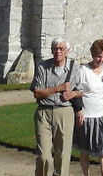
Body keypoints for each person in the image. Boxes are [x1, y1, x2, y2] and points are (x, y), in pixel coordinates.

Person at [31, 37, 79, 176]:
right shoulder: (42, 67)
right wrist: (58, 88)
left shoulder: (75, 67)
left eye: (61, 48)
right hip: (43, 113)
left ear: (67, 51)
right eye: (55, 48)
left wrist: (74, 93)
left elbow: (83, 90)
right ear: (52, 50)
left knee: (63, 156)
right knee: (44, 156)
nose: (58, 51)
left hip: (64, 112)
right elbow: (37, 92)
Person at [73, 39, 103, 176]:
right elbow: (76, 91)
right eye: (99, 56)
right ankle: (85, 174)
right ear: (93, 55)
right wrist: (79, 110)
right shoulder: (84, 70)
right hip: (87, 115)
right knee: (85, 149)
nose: (101, 59)